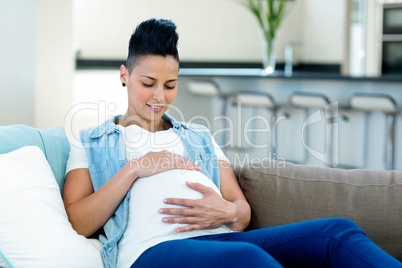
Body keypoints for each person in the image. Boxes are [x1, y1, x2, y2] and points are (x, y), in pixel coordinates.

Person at [63, 18, 402, 268]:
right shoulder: (92, 141)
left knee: (337, 232)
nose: (159, 96)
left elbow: (241, 214)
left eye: (170, 84)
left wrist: (227, 210)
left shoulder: (198, 136)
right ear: (124, 75)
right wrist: (136, 168)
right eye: (148, 82)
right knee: (247, 257)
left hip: (222, 240)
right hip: (149, 250)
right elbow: (78, 220)